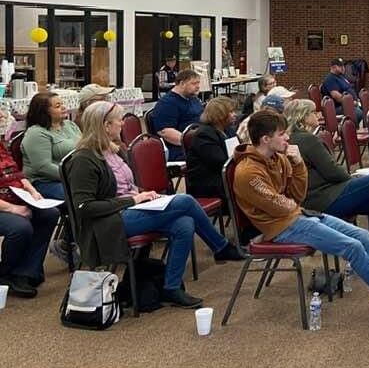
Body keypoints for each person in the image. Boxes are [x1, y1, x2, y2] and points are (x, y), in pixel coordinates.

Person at [232, 110, 369, 316]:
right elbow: (280, 206)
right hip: (281, 227)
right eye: (281, 134)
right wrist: (293, 203)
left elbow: (297, 194)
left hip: (298, 215)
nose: (287, 137)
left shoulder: (280, 158)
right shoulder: (248, 172)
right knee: (352, 247)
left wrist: (298, 165)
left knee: (362, 235)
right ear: (266, 139)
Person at [67, 101, 247, 309]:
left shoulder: (115, 151)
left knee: (184, 223)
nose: (122, 125)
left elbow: (127, 186)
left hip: (130, 210)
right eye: (118, 121)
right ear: (105, 126)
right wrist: (132, 200)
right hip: (108, 222)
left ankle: (171, 288)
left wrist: (143, 194)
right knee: (185, 201)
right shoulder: (84, 159)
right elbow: (85, 207)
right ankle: (221, 247)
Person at [286, 99, 369, 275]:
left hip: (318, 195)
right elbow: (333, 172)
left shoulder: (297, 138)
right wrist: (351, 178)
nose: (319, 115)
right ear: (302, 118)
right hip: (322, 198)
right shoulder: (307, 140)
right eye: (314, 112)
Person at [0, 137, 60, 298]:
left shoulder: (1, 145)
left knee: (50, 214)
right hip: (4, 206)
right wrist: (13, 209)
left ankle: (26, 271)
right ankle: (5, 273)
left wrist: (33, 191)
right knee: (20, 227)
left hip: (15, 197)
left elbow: (17, 174)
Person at [22, 92, 82, 202]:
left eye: (62, 104)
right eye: (58, 106)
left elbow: (84, 148)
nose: (64, 107)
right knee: (81, 195)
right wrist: (74, 176)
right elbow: (44, 167)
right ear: (44, 112)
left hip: (75, 175)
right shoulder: (36, 133)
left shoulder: (70, 125)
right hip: (45, 182)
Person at [185, 97, 237, 201]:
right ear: (220, 114)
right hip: (209, 184)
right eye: (231, 112)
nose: (235, 114)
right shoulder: (204, 135)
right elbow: (220, 162)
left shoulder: (228, 130)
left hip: (224, 176)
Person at [151, 69, 204, 161]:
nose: (198, 86)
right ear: (182, 83)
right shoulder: (167, 103)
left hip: (199, 141)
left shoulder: (192, 98)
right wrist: (194, 143)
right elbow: (165, 132)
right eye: (194, 83)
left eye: (198, 83)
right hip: (181, 149)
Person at [321, 57, 362, 124]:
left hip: (349, 104)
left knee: (365, 110)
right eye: (340, 66)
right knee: (357, 112)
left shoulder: (341, 77)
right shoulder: (330, 79)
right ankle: (350, 130)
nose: (343, 68)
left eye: (343, 65)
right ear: (333, 67)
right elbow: (336, 96)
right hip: (336, 107)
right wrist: (351, 103)